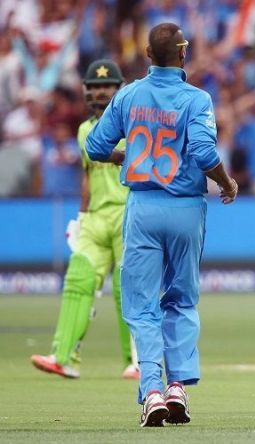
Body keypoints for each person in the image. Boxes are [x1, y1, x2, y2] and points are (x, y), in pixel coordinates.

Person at [86, 23, 238, 427]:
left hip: (144, 206)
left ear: (148, 56)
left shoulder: (129, 94)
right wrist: (226, 182)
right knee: (182, 299)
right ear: (184, 54)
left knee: (141, 304)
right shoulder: (197, 98)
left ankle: (152, 388)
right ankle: (177, 387)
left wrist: (129, 156)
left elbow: (96, 146)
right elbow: (205, 151)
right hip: (186, 207)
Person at [31, 59, 139, 380]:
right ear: (84, 92)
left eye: (107, 87)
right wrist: (79, 217)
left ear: (120, 90)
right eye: (94, 88)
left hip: (128, 211)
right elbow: (88, 177)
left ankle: (137, 362)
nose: (100, 93)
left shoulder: (134, 124)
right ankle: (64, 357)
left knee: (127, 287)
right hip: (94, 218)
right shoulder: (83, 131)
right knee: (78, 278)